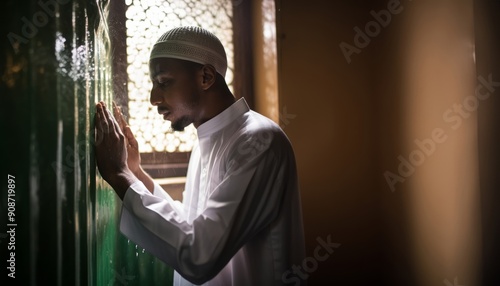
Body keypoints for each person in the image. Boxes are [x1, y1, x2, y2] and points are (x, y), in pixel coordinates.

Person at [94, 26, 306, 286]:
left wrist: (119, 176)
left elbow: (200, 255)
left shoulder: (259, 142)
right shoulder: (208, 139)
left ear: (205, 76)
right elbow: (194, 221)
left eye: (163, 82)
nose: (153, 98)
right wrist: (136, 172)